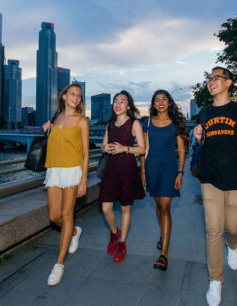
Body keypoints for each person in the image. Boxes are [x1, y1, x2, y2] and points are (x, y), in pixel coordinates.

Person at [193, 67, 237, 306]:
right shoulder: (204, 112)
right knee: (212, 229)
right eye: (209, 78)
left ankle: (233, 245)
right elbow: (202, 143)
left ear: (229, 82)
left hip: (234, 177)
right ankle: (215, 280)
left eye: (216, 78)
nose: (211, 82)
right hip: (209, 176)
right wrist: (199, 136)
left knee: (232, 225)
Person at [42, 83, 89, 286]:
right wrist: (46, 130)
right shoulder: (56, 117)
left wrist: (83, 179)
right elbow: (53, 142)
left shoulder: (81, 121)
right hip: (53, 169)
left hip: (72, 170)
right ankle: (74, 232)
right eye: (72, 93)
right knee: (55, 216)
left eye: (78, 95)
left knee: (67, 215)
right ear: (63, 96)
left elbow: (86, 153)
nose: (75, 97)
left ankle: (59, 264)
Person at [142, 89, 187, 271]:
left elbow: (182, 150)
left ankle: (164, 255)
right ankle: (163, 235)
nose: (160, 102)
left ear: (169, 103)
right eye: (157, 100)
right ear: (153, 104)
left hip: (169, 168)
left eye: (164, 99)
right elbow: (144, 149)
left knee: (165, 205)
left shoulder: (175, 124)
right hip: (151, 167)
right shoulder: (147, 123)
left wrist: (180, 173)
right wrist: (143, 172)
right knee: (158, 205)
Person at [99, 90, 146, 262]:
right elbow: (102, 146)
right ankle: (114, 232)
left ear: (128, 106)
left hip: (127, 169)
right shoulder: (110, 124)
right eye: (116, 101)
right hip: (110, 169)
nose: (118, 104)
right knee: (106, 208)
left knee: (126, 207)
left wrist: (123, 149)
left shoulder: (134, 123)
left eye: (122, 101)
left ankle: (122, 243)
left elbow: (142, 149)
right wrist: (107, 148)